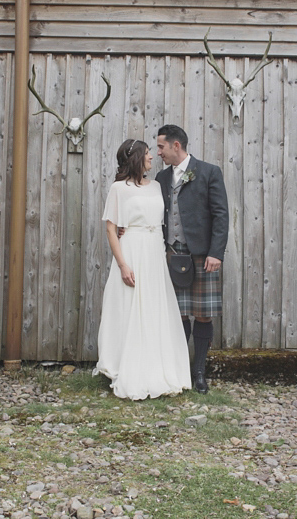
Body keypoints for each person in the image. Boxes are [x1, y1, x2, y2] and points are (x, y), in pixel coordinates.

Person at [93, 139, 192, 400]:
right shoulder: (118, 189)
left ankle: (157, 365)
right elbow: (111, 229)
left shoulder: (158, 185)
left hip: (154, 251)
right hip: (133, 250)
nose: (152, 157)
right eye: (148, 154)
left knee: (153, 307)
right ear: (137, 158)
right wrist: (123, 264)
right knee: (128, 307)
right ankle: (122, 364)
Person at [155, 125, 229, 394]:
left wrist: (216, 252)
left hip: (203, 255)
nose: (158, 152)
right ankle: (179, 370)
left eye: (161, 146)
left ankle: (199, 371)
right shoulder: (161, 178)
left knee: (204, 315)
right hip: (173, 255)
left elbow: (221, 215)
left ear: (176, 146)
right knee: (179, 315)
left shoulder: (208, 172)